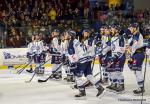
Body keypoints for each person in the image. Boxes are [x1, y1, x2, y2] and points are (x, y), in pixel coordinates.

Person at [65, 29, 104, 97]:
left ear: (70, 35)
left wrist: (72, 62)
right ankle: (100, 88)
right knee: (89, 75)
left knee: (77, 76)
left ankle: (82, 91)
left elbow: (72, 54)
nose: (65, 35)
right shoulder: (76, 41)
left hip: (82, 60)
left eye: (67, 34)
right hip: (87, 59)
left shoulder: (71, 42)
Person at [106, 25, 126, 93]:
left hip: (120, 57)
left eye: (112, 29)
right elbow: (111, 48)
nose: (111, 30)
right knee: (113, 71)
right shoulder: (112, 38)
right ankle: (114, 85)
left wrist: (115, 56)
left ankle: (121, 86)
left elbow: (122, 50)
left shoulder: (121, 38)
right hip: (114, 57)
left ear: (117, 30)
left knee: (118, 72)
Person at [128, 23, 146, 95]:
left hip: (138, 54)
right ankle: (140, 87)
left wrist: (130, 52)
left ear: (135, 28)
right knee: (135, 71)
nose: (130, 30)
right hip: (136, 54)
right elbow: (130, 43)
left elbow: (134, 46)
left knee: (137, 71)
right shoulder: (134, 35)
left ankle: (141, 88)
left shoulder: (137, 34)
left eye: (131, 28)